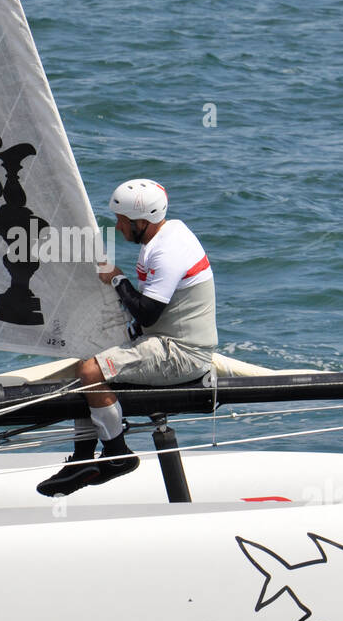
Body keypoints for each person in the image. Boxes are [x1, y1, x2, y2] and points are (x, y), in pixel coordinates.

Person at [37, 179, 217, 496]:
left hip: (182, 353)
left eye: (122, 221)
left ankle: (117, 454)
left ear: (141, 222)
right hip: (163, 339)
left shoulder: (167, 251)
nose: (118, 228)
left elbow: (147, 313)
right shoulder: (165, 235)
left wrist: (117, 278)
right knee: (87, 357)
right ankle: (82, 460)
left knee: (91, 372)